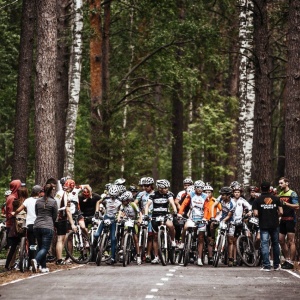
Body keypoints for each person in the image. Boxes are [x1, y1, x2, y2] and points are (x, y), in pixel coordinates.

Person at [144, 179, 177, 264]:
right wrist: (146, 214)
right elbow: (147, 205)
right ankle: (156, 256)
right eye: (165, 188)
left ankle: (172, 240)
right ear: (160, 188)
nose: (167, 189)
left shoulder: (168, 194)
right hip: (155, 216)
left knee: (170, 225)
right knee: (155, 237)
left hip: (165, 215)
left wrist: (175, 211)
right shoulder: (153, 194)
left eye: (167, 188)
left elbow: (172, 203)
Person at [253, 181, 283, 271]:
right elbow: (281, 212)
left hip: (263, 224)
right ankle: (277, 265)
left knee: (265, 244)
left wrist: (263, 214)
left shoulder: (257, 200)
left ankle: (267, 266)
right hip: (274, 224)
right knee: (275, 244)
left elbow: (255, 214)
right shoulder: (276, 198)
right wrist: (274, 215)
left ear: (261, 188)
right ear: (269, 188)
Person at [177, 180, 208, 266]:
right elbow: (184, 204)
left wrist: (205, 218)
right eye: (198, 188)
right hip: (192, 217)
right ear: (195, 188)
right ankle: (183, 243)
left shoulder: (205, 196)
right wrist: (180, 213)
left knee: (201, 238)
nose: (200, 190)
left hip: (201, 218)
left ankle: (199, 258)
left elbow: (206, 208)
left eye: (202, 188)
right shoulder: (190, 195)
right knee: (186, 227)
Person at [12, 185, 43, 265]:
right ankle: (39, 261)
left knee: (32, 243)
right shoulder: (41, 200)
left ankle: (31, 261)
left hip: (30, 224)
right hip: (40, 224)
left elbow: (19, 209)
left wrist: (14, 213)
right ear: (39, 192)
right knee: (40, 243)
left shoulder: (28, 200)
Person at [31, 181, 58, 273]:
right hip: (47, 226)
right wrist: (51, 222)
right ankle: (36, 261)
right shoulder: (53, 202)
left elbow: (36, 213)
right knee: (45, 248)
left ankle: (43, 267)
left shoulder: (38, 201)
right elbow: (54, 216)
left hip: (37, 225)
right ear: (51, 191)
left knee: (41, 246)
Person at [93, 184, 122, 265]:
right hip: (105, 218)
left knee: (113, 239)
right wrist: (97, 212)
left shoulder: (120, 200)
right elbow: (98, 202)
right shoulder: (105, 198)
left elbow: (121, 209)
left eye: (114, 196)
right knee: (96, 234)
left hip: (114, 220)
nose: (112, 197)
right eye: (111, 195)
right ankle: (95, 244)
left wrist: (119, 217)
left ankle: (112, 258)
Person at [54, 179, 77, 265]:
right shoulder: (67, 195)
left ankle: (58, 258)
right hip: (61, 218)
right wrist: (72, 224)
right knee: (61, 239)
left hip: (55, 217)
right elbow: (68, 210)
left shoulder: (58, 193)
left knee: (59, 239)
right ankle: (59, 259)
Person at [278, 177, 299, 269]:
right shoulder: (280, 193)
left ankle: (291, 261)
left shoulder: (292, 193)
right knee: (281, 240)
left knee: (291, 241)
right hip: (282, 220)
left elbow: (297, 206)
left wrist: (286, 204)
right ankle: (287, 259)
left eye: (281, 183)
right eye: (279, 183)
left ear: (287, 183)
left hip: (290, 219)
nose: (280, 185)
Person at [212, 186, 236, 267]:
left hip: (230, 219)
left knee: (230, 240)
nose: (222, 196)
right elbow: (214, 206)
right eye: (221, 194)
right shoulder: (220, 197)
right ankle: (213, 239)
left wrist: (223, 221)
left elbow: (229, 216)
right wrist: (213, 217)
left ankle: (230, 259)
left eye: (223, 195)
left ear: (228, 195)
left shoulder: (233, 204)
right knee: (212, 224)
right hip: (222, 216)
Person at [117, 191, 143, 265]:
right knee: (124, 232)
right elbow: (120, 212)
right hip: (127, 220)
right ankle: (123, 248)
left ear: (128, 200)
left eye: (124, 201)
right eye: (122, 201)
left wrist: (140, 220)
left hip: (134, 220)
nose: (122, 202)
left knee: (135, 238)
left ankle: (138, 256)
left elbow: (139, 213)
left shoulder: (133, 204)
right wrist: (119, 218)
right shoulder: (123, 205)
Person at [134, 177, 155, 262]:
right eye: (144, 186)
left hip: (152, 215)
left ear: (151, 186)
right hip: (142, 215)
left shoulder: (155, 194)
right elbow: (134, 203)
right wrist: (138, 211)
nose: (145, 187)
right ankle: (138, 252)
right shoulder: (141, 194)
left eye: (147, 186)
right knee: (138, 232)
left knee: (150, 236)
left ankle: (148, 254)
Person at [231, 185, 252, 266]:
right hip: (232, 222)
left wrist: (249, 212)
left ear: (240, 193)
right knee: (234, 241)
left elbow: (250, 207)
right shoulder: (231, 200)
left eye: (238, 192)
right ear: (233, 193)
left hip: (241, 221)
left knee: (248, 233)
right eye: (235, 192)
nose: (237, 194)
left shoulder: (242, 200)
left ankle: (248, 249)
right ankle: (234, 258)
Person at [4, 179, 22, 270]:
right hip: (11, 225)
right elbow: (12, 213)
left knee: (14, 245)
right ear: (16, 187)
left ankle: (11, 264)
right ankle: (9, 265)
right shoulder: (12, 198)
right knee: (12, 246)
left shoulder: (13, 197)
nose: (21, 188)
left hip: (12, 224)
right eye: (20, 186)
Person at [203, 184, 222, 265]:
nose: (207, 194)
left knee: (210, 238)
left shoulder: (215, 200)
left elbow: (221, 210)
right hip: (202, 220)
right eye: (206, 192)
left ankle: (210, 257)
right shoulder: (201, 200)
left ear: (212, 193)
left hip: (212, 220)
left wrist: (216, 218)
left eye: (209, 192)